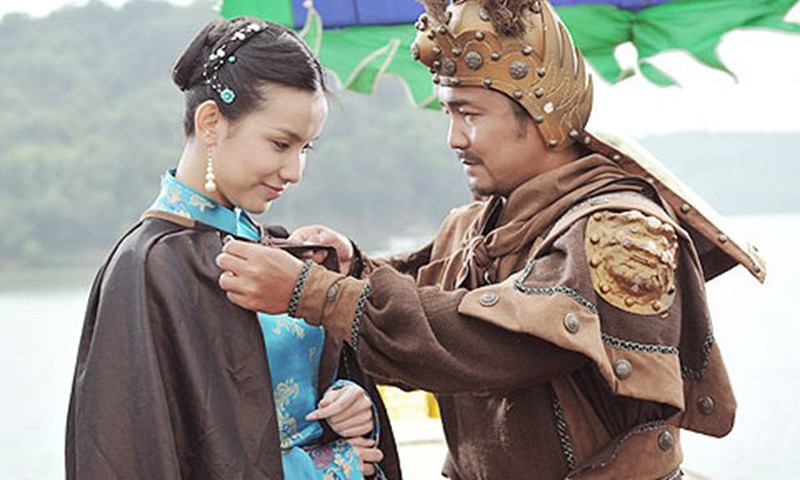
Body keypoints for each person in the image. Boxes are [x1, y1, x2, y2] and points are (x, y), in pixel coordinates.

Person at [216, 1, 766, 479]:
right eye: (449, 112)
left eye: (469, 114)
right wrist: (349, 267)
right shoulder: (475, 225)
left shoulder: (620, 229)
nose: (454, 138)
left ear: (545, 113)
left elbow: (494, 343)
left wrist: (318, 293)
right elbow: (426, 302)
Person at [65, 17, 401, 479]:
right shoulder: (148, 267)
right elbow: (138, 454)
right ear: (210, 123)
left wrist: (349, 400)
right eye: (280, 144)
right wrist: (320, 468)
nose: (295, 171)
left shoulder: (274, 247)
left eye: (306, 148)